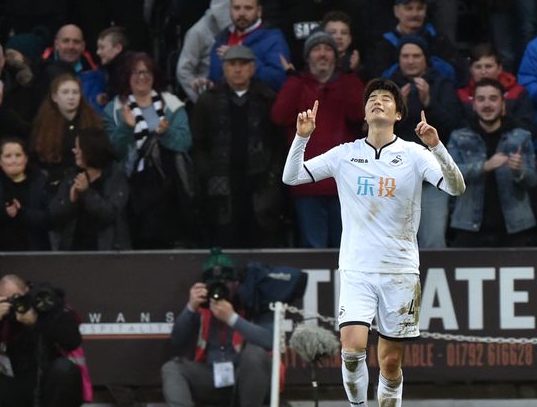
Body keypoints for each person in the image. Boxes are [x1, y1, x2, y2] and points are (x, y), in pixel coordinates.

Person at [282, 78, 465, 407]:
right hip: (357, 269)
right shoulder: (345, 154)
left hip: (400, 272)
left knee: (390, 362)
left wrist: (437, 146)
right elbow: (292, 177)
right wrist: (302, 137)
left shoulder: (413, 154)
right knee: (351, 350)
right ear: (365, 113)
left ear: (398, 114)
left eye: (386, 99)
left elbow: (456, 187)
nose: (378, 102)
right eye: (372, 99)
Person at [272, 30, 364, 248]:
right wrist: (294, 80)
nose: (322, 54)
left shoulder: (348, 82)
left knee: (347, 250)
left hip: (343, 184)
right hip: (307, 183)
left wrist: (350, 76)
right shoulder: (297, 84)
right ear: (307, 57)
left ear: (336, 56)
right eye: (316, 49)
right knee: (314, 249)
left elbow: (359, 114)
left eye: (327, 49)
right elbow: (278, 116)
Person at [191, 45, 286, 248]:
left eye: (243, 64)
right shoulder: (207, 101)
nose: (237, 69)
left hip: (260, 185)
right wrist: (207, 174)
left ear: (252, 68)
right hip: (221, 186)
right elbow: (198, 144)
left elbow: (279, 143)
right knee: (225, 242)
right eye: (232, 64)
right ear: (224, 68)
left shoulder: (267, 98)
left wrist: (273, 176)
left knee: (261, 242)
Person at [161, 248, 273, 407]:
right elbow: (177, 342)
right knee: (172, 368)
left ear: (236, 283)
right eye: (214, 283)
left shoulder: (251, 303)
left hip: (243, 380)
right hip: (209, 377)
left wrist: (232, 318)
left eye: (226, 283)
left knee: (255, 354)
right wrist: (190, 308)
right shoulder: (201, 308)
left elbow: (269, 341)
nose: (220, 289)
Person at [104, 52, 193, 249]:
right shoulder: (115, 108)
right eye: (135, 72)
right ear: (126, 76)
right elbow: (113, 151)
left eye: (146, 72)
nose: (141, 77)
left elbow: (185, 143)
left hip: (167, 186)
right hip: (130, 189)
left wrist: (166, 132)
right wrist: (126, 128)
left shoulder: (172, 104)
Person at [386, 35, 462, 248]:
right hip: (395, 177)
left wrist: (428, 102)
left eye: (416, 56)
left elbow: (453, 124)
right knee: (395, 243)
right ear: (398, 59)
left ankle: (435, 282)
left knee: (433, 240)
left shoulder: (442, 84)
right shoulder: (387, 88)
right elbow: (374, 129)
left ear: (426, 59)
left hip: (432, 178)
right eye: (405, 56)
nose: (411, 60)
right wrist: (395, 108)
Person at [448, 78, 537, 247]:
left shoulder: (521, 136)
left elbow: (533, 180)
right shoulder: (458, 137)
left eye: (493, 99)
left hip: (514, 227)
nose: (487, 104)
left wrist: (520, 170)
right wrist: (484, 166)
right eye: (481, 99)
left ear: (503, 105)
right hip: (469, 226)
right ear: (474, 105)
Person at [0, 274, 86, 407]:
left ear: (27, 290)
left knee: (62, 368)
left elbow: (72, 341)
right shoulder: (4, 317)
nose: (15, 304)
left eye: (18, 297)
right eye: (8, 300)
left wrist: (36, 323)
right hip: (19, 385)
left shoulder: (47, 305)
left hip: (53, 385)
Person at [49, 127, 130, 251]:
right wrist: (70, 200)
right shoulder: (72, 176)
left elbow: (110, 213)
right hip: (73, 251)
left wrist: (87, 193)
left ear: (90, 150)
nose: (74, 151)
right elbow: (53, 215)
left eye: (78, 147)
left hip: (107, 252)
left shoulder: (115, 176)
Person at [366, 0, 466, 86]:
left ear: (425, 11)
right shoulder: (384, 44)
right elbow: (378, 80)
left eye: (420, 8)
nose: (415, 14)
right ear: (396, 11)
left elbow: (459, 75)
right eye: (409, 8)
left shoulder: (438, 39)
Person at [30, 73, 104, 200]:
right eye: (65, 92)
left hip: (88, 186)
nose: (71, 97)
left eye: (75, 92)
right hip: (54, 188)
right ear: (54, 97)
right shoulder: (43, 124)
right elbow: (35, 156)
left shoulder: (92, 122)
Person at [205, 0, 291, 92]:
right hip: (223, 105)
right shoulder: (222, 39)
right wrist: (208, 84)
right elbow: (215, 79)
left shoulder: (273, 39)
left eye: (248, 8)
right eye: (236, 8)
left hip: (260, 105)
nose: (241, 13)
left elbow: (278, 80)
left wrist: (243, 57)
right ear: (230, 10)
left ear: (259, 11)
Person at [457, 43, 536, 135]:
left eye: (488, 66)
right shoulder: (461, 95)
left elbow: (527, 127)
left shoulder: (518, 92)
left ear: (499, 68)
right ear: (470, 69)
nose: (483, 72)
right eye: (478, 67)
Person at [177, 0, 234, 103]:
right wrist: (201, 100)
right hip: (210, 95)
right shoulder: (198, 32)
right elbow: (183, 71)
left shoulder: (239, 30)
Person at [0, 137, 50, 250]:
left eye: (18, 155)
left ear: (26, 159)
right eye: (8, 156)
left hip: (34, 250)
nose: (14, 160)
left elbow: (49, 218)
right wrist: (5, 213)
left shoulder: (40, 182)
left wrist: (22, 213)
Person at [39, 24, 106, 112]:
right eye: (66, 41)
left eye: (76, 42)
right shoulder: (41, 70)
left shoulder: (95, 73)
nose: (71, 46)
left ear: (83, 46)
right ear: (56, 44)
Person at [95, 26, 130, 107]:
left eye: (102, 47)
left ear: (118, 48)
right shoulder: (111, 68)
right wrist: (108, 96)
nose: (98, 52)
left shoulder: (128, 71)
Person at [322, 10, 363, 75]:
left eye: (344, 33)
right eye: (332, 32)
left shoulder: (359, 67)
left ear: (350, 39)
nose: (339, 37)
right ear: (322, 37)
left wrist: (356, 69)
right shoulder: (312, 64)